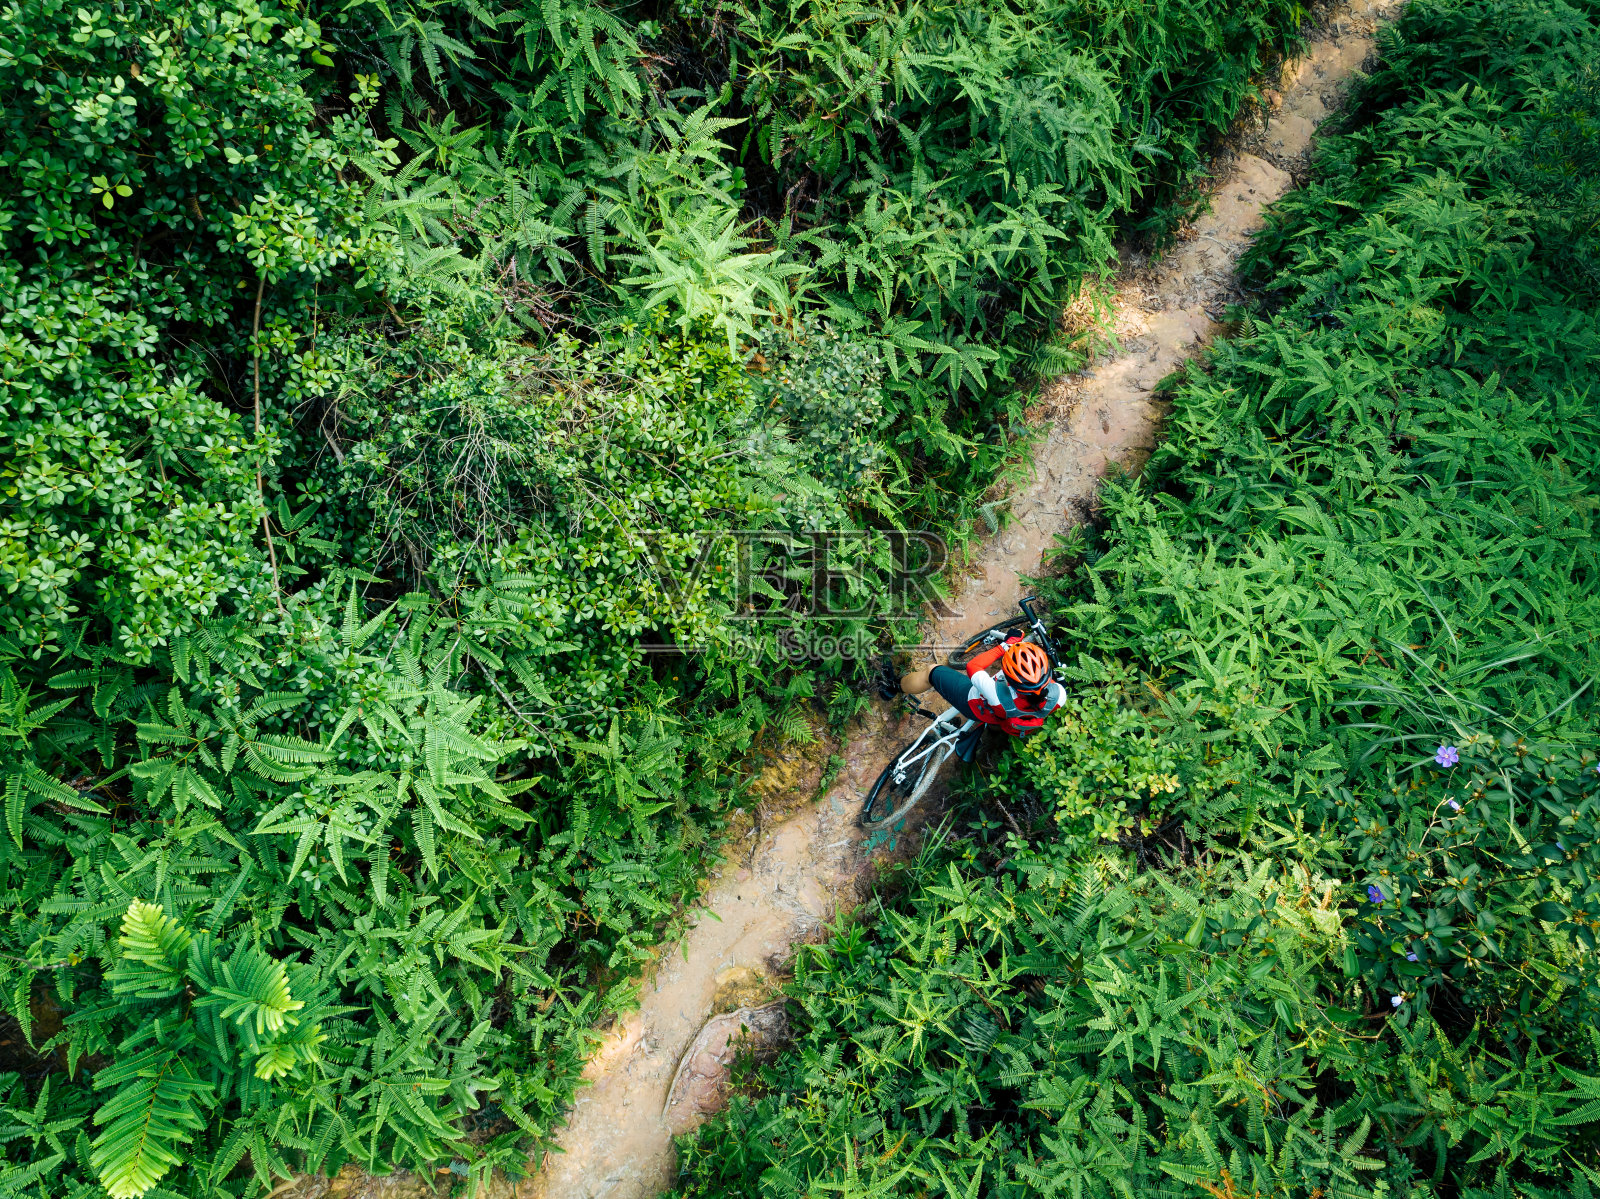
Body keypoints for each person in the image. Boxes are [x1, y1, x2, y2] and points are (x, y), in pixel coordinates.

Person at [899, 635, 1064, 754]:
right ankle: (991, 730)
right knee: (999, 715)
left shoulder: (995, 693)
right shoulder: (1059, 697)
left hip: (972, 704)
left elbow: (973, 665)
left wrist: (1005, 646)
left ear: (1008, 678)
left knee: (932, 672)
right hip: (998, 717)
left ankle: (895, 686)